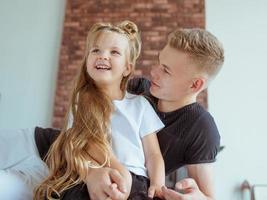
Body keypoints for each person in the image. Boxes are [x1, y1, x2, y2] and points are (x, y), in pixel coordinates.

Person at [80, 27, 224, 200]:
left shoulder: (202, 129)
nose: (153, 72)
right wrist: (90, 174)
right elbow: (82, 132)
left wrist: (196, 198)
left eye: (166, 70)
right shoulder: (137, 89)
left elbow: (208, 197)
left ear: (195, 85)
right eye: (159, 62)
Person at [34, 21, 165, 200]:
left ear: (127, 68)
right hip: (93, 175)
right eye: (96, 50)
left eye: (114, 52)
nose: (103, 56)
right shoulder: (81, 102)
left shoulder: (139, 105)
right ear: (87, 60)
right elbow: (76, 147)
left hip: (135, 180)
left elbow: (153, 154)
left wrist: (157, 185)